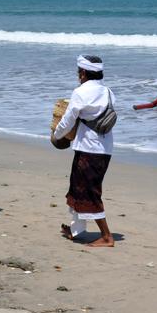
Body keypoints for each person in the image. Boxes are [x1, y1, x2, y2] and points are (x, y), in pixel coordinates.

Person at [52, 55, 116, 247]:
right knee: (78, 187)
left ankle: (106, 236)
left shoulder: (80, 92)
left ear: (83, 73)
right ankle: (76, 230)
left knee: (89, 192)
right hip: (104, 148)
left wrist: (57, 134)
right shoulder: (108, 92)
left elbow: (68, 120)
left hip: (88, 148)